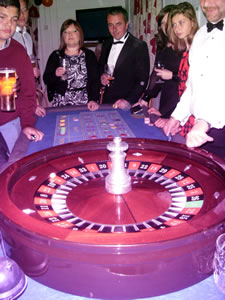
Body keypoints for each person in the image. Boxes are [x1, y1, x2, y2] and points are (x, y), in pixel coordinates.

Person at [164, 0, 225, 159]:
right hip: (200, 132)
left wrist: (205, 122)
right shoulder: (200, 35)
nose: (208, 3)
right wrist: (176, 116)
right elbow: (192, 86)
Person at [0, 0, 44, 166]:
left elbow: (27, 93)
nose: (8, 24)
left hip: (10, 122)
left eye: (13, 19)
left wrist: (26, 124)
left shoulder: (19, 51)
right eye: (2, 17)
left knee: (15, 168)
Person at [91, 6, 150, 111]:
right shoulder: (106, 44)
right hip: (107, 101)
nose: (114, 29)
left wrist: (128, 100)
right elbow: (100, 68)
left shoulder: (139, 46)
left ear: (126, 24)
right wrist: (102, 77)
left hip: (127, 104)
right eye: (110, 25)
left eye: (118, 24)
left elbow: (142, 80)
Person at [43, 19, 100, 110]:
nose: (70, 34)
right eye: (66, 32)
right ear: (62, 36)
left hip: (86, 102)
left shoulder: (89, 55)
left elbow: (95, 81)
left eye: (74, 31)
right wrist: (55, 74)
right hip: (61, 102)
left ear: (80, 34)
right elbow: (46, 79)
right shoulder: (55, 55)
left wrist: (93, 99)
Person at [140, 4, 182, 128]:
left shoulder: (185, 45)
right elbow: (156, 74)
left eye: (169, 22)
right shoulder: (162, 46)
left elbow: (190, 79)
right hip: (166, 97)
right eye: (162, 23)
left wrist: (172, 76)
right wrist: (146, 97)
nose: (166, 27)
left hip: (180, 100)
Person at [13, 0, 45, 117]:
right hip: (12, 98)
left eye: (25, 9)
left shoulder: (27, 36)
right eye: (19, 9)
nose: (22, 14)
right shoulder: (6, 37)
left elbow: (29, 73)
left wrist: (35, 102)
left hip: (27, 96)